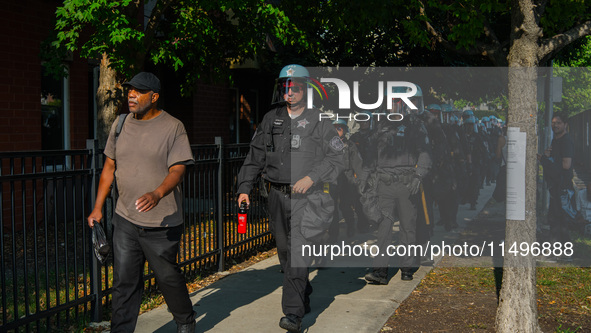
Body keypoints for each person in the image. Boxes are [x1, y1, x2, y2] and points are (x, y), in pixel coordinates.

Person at [236, 64, 344, 333]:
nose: (289, 92)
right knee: (285, 253)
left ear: (305, 89)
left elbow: (339, 156)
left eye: (294, 87)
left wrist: (313, 177)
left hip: (306, 198)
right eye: (285, 87)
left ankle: (293, 315)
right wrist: (243, 188)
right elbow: (254, 157)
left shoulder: (319, 120)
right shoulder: (271, 118)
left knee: (297, 253)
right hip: (276, 195)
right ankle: (302, 290)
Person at [87, 72, 197, 333]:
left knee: (168, 278)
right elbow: (109, 168)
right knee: (124, 282)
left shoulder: (173, 127)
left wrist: (157, 194)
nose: (131, 95)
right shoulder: (120, 124)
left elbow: (178, 170)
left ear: (154, 96)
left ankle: (185, 319)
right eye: (129, 91)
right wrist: (97, 207)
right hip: (124, 218)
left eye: (138, 91)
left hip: (162, 223)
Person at [363, 85, 432, 285]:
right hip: (384, 184)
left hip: (407, 182)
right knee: (383, 228)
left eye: (400, 102)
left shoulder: (415, 125)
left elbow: (425, 153)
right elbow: (370, 155)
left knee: (408, 227)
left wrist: (419, 175)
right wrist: (367, 180)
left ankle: (407, 269)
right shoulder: (380, 124)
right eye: (393, 102)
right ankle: (380, 272)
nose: (396, 106)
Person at [538, 112, 575, 245]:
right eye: (553, 123)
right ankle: (555, 246)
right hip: (555, 185)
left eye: (558, 123)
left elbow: (566, 164)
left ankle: (565, 250)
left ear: (565, 124)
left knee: (562, 220)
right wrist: (548, 156)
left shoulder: (566, 141)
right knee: (554, 218)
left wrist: (544, 161)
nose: (555, 125)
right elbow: (555, 159)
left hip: (563, 186)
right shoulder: (556, 140)